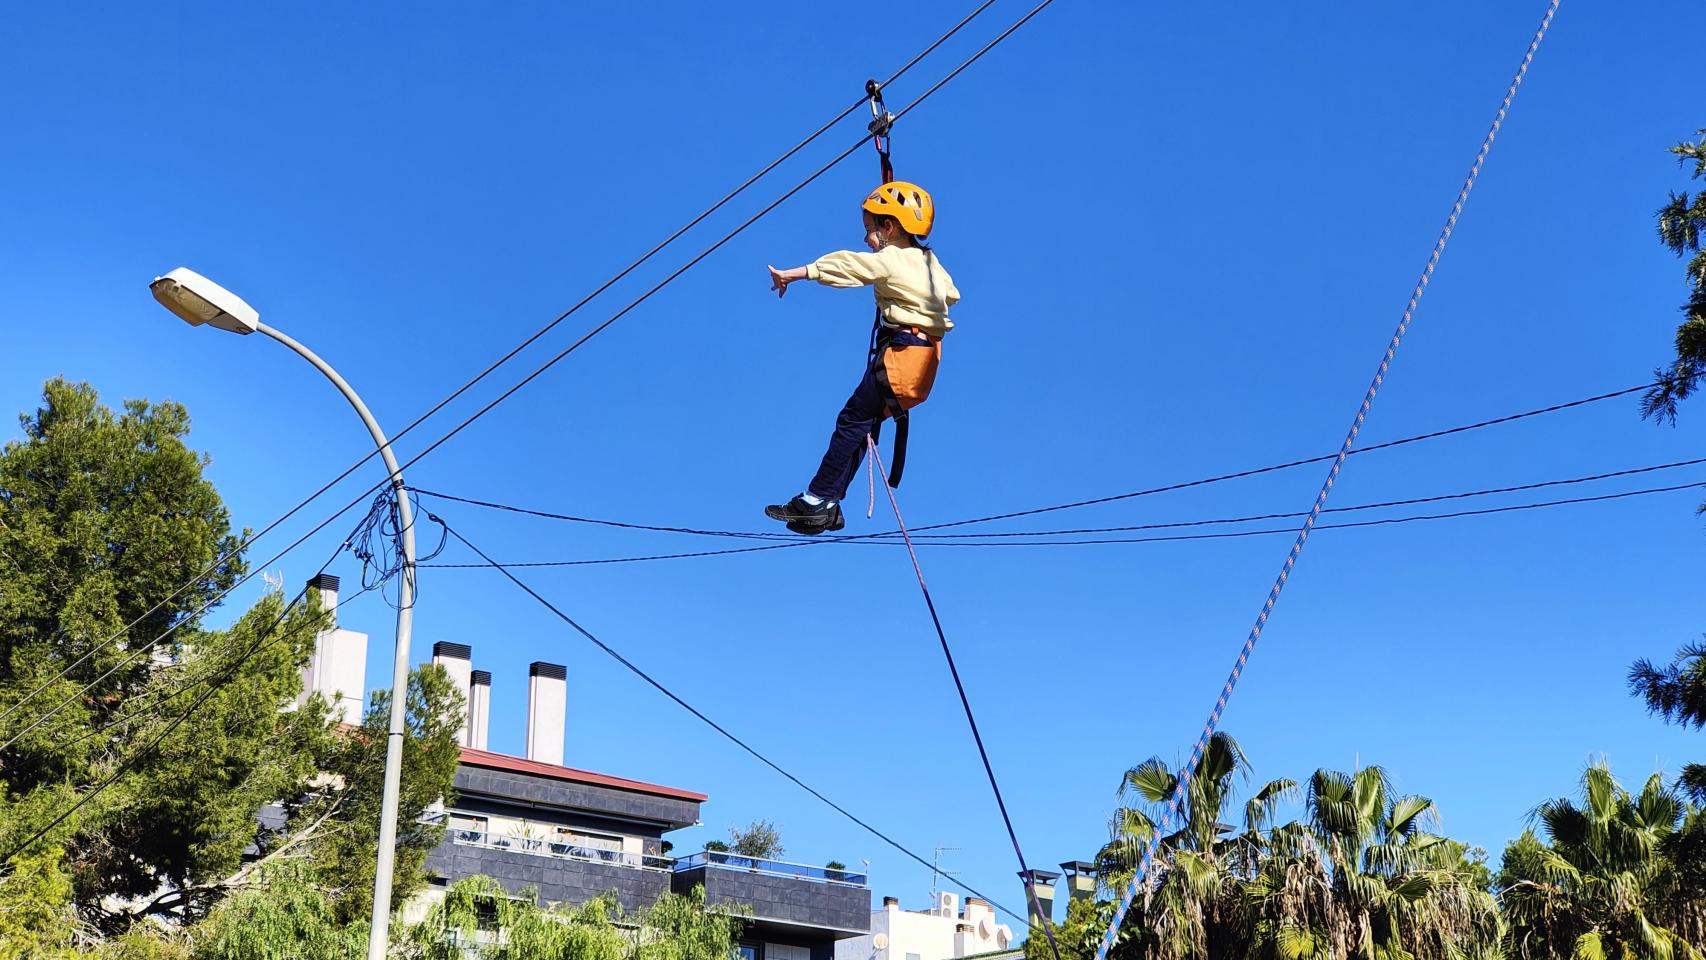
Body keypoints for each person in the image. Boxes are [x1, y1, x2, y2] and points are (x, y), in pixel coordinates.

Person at [764, 180, 960, 534]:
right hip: (925, 367)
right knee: (863, 424)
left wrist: (796, 273)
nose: (867, 240)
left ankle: (816, 499)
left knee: (851, 419)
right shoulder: (931, 264)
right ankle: (828, 502)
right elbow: (952, 294)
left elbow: (850, 267)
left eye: (871, 230)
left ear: (890, 227)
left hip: (902, 357)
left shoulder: (891, 260)